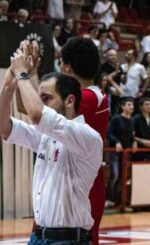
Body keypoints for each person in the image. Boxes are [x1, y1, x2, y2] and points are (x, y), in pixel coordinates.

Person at [0, 63, 102, 243]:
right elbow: (3, 127)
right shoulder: (45, 136)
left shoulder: (88, 136)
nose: (41, 104)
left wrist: (23, 75)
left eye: (46, 98)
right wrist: (9, 84)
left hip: (68, 240)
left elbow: (37, 114)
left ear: (69, 101)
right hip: (38, 237)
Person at [60, 36, 109, 245]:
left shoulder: (87, 98)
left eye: (61, 62)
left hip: (81, 190)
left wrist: (25, 74)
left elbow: (36, 112)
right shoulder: (96, 95)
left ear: (68, 67)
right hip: (83, 186)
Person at [106, 97, 137, 205]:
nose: (132, 107)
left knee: (122, 176)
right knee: (114, 175)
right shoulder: (116, 118)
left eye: (132, 105)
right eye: (129, 105)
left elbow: (131, 135)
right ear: (123, 107)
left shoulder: (132, 120)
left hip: (125, 153)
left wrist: (134, 142)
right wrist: (117, 142)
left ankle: (119, 200)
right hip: (114, 152)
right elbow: (109, 133)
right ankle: (108, 199)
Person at [133, 97, 150, 161]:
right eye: (146, 104)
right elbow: (130, 135)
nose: (149, 106)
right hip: (137, 149)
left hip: (149, 150)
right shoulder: (135, 118)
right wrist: (142, 141)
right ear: (141, 107)